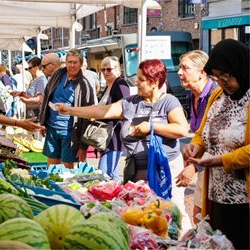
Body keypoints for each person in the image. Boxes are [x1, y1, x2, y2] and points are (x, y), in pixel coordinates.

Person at [55, 59, 191, 231]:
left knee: (173, 211)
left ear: (154, 82)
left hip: (165, 169)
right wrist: (71, 110)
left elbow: (182, 129)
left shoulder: (169, 101)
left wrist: (150, 127)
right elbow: (102, 111)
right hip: (136, 171)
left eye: (141, 80)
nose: (137, 83)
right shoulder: (131, 102)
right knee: (142, 213)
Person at [183, 39, 249, 249]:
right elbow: (202, 132)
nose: (221, 82)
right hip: (216, 194)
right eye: (217, 77)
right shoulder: (218, 96)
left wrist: (222, 160)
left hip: (244, 198)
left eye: (226, 76)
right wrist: (195, 146)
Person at [175, 50, 219, 224]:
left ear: (202, 72)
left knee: (204, 219)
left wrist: (193, 167)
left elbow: (214, 138)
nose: (179, 72)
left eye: (185, 68)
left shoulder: (215, 95)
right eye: (179, 67)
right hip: (204, 164)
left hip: (216, 168)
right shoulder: (193, 94)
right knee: (198, 216)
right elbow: (199, 133)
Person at [39, 48, 96, 168]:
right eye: (69, 62)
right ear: (65, 62)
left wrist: (83, 146)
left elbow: (88, 117)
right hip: (52, 128)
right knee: (51, 167)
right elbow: (47, 97)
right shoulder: (58, 75)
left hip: (70, 133)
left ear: (80, 64)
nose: (72, 65)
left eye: (75, 62)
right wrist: (42, 122)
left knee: (67, 169)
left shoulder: (84, 85)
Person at [96, 56, 130, 182]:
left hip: (114, 137)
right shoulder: (108, 86)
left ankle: (110, 199)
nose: (105, 72)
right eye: (103, 70)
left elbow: (125, 106)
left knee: (104, 174)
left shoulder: (119, 83)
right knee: (111, 175)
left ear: (118, 70)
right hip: (106, 138)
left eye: (109, 69)